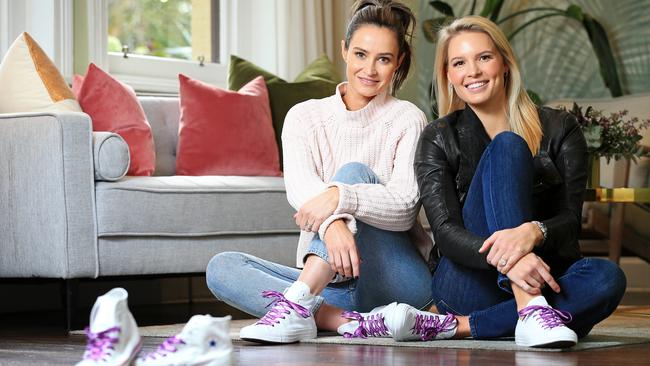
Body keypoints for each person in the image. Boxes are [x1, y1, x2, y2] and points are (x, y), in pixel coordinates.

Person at [333, 15, 627, 348]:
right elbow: (445, 234)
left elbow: (570, 222)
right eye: (459, 62)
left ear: (504, 62)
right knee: (508, 145)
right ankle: (529, 307)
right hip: (466, 281)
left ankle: (459, 326)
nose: (472, 71)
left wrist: (533, 232)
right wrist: (511, 259)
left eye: (484, 57)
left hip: (545, 272)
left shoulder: (560, 127)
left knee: (608, 278)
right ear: (449, 75)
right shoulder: (438, 137)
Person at [206, 0, 441, 344]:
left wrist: (339, 196)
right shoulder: (304, 117)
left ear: (398, 63)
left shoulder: (408, 118)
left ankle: (298, 305)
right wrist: (333, 225)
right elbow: (300, 191)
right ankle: (345, 320)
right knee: (222, 268)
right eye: (361, 54)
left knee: (353, 172)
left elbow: (405, 206)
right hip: (330, 285)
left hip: (397, 278)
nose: (370, 70)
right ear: (344, 50)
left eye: (384, 59)